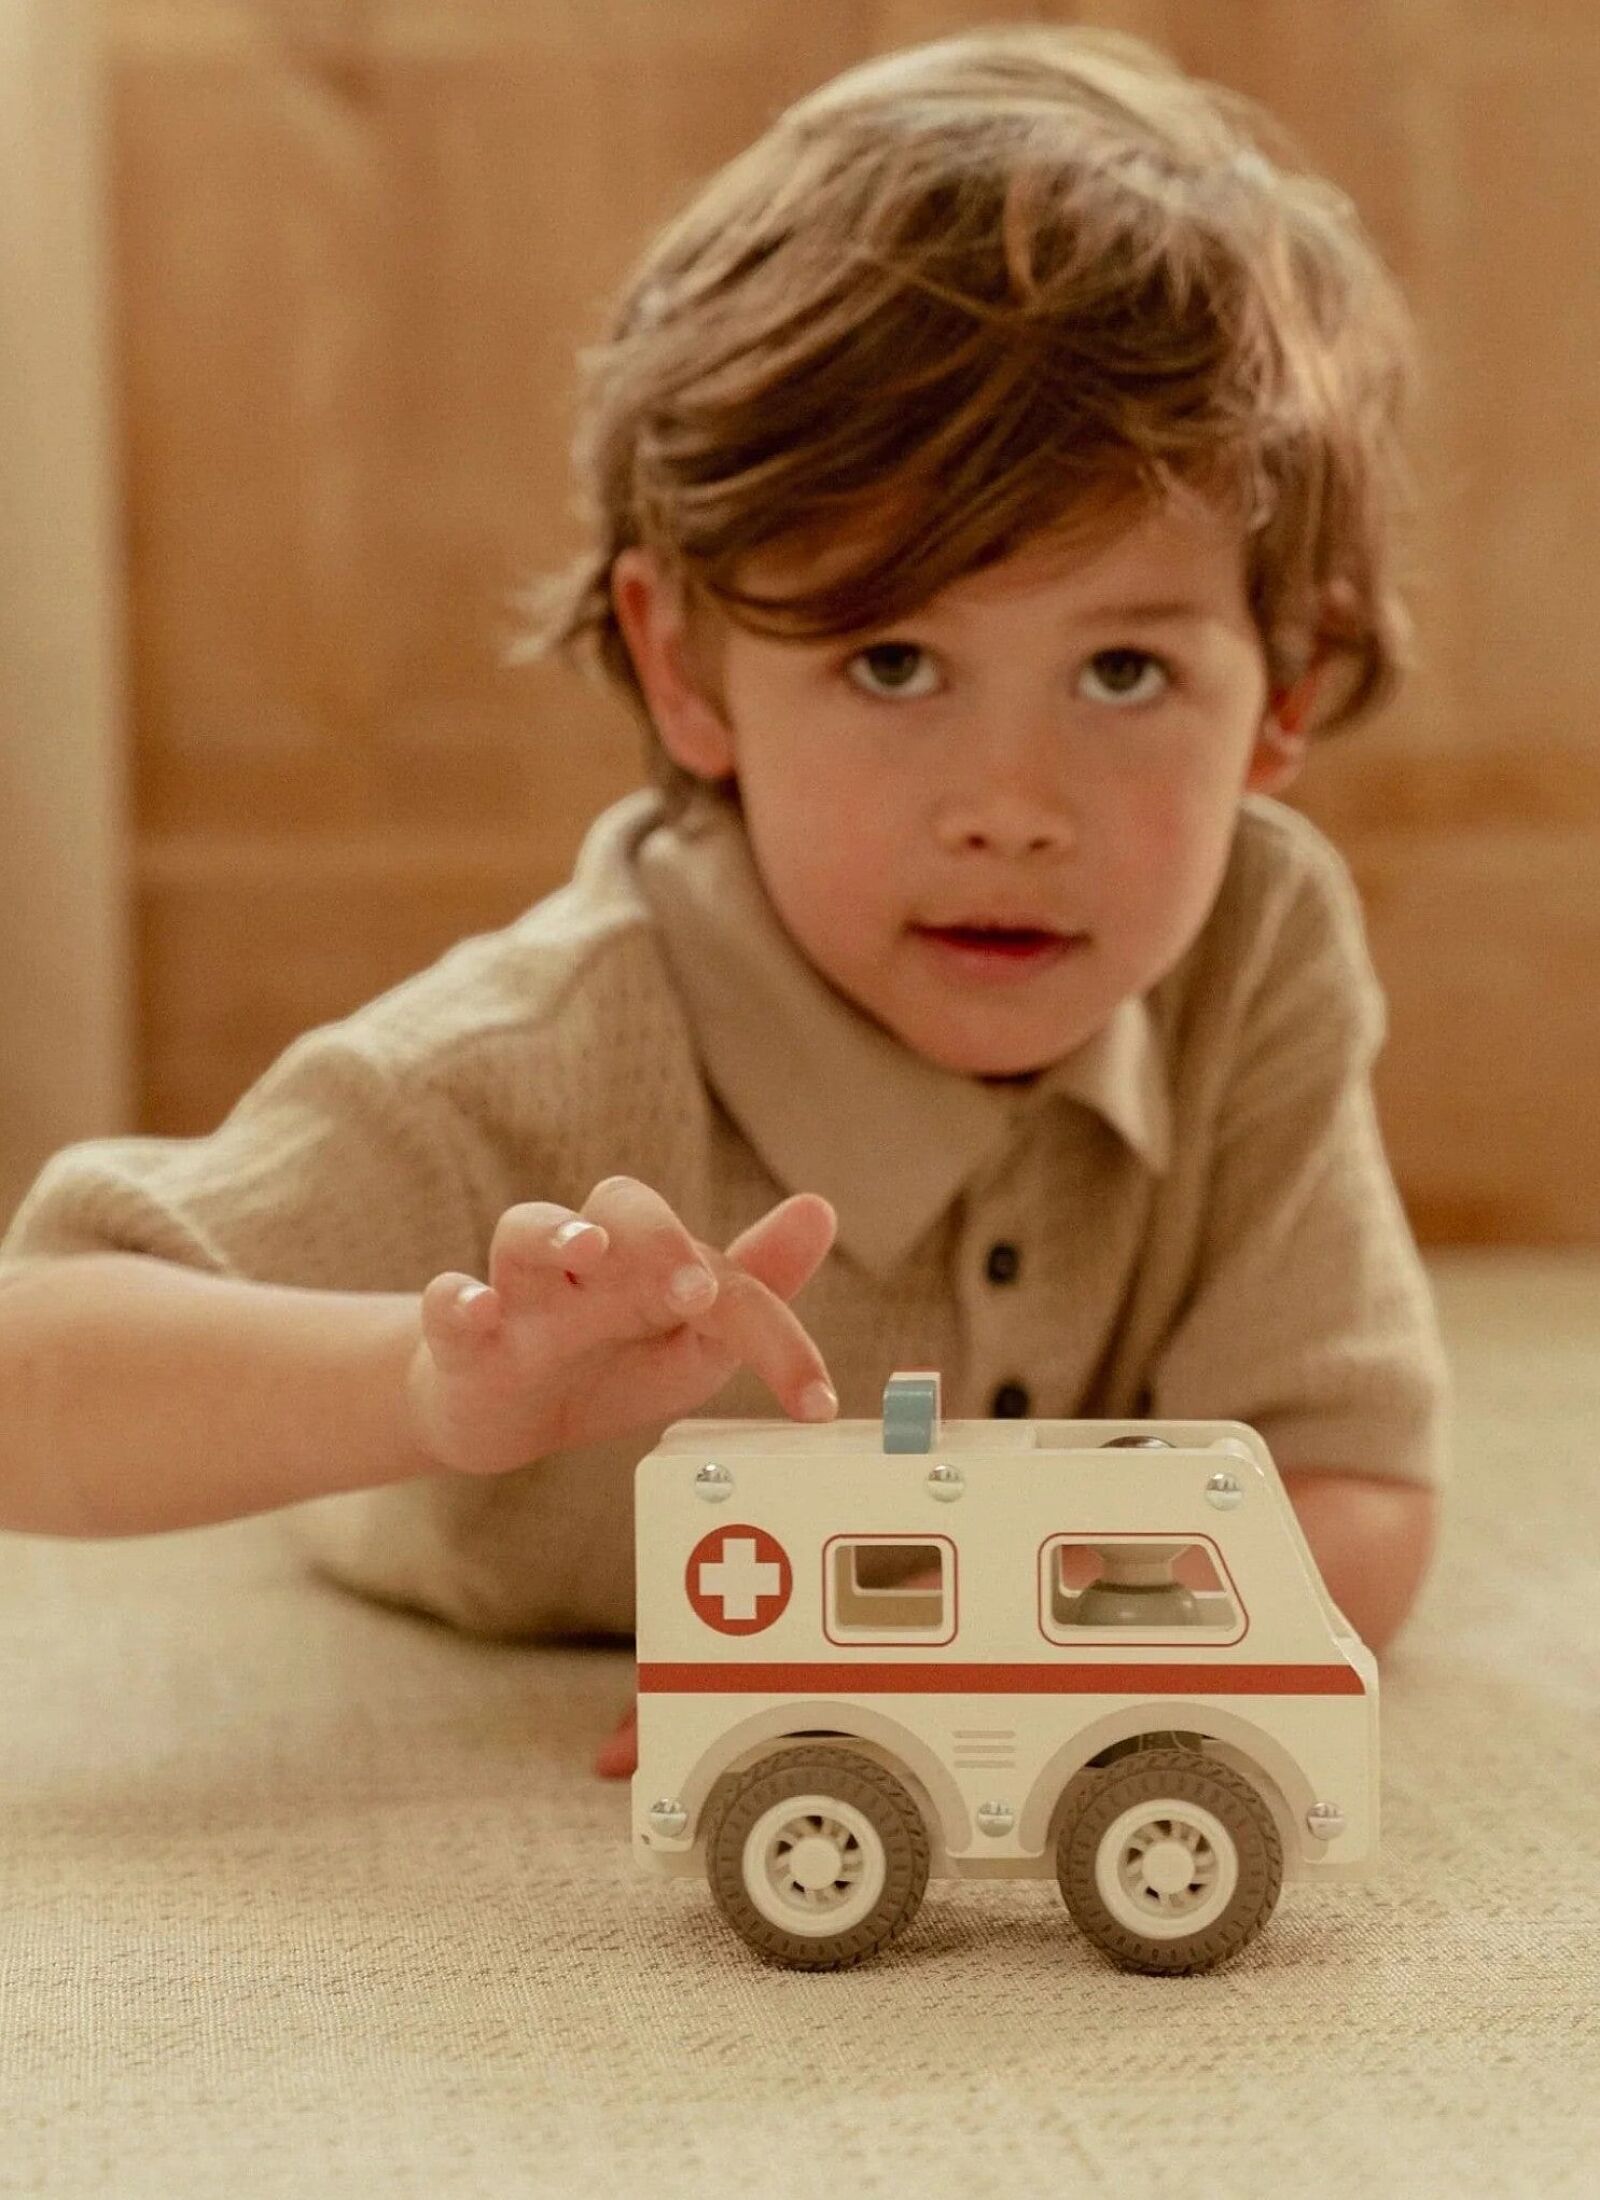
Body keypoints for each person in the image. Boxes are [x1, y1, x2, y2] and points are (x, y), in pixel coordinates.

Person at [0, 25, 1449, 1780]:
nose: (1013, 811)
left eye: (1126, 671)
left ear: (1284, 697)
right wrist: (425, 1384)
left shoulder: (1254, 952)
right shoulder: (542, 1055)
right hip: (453, 1565)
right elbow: (35, 1368)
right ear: (685, 667)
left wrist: (968, 1655)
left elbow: (1354, 1493)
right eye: (895, 660)